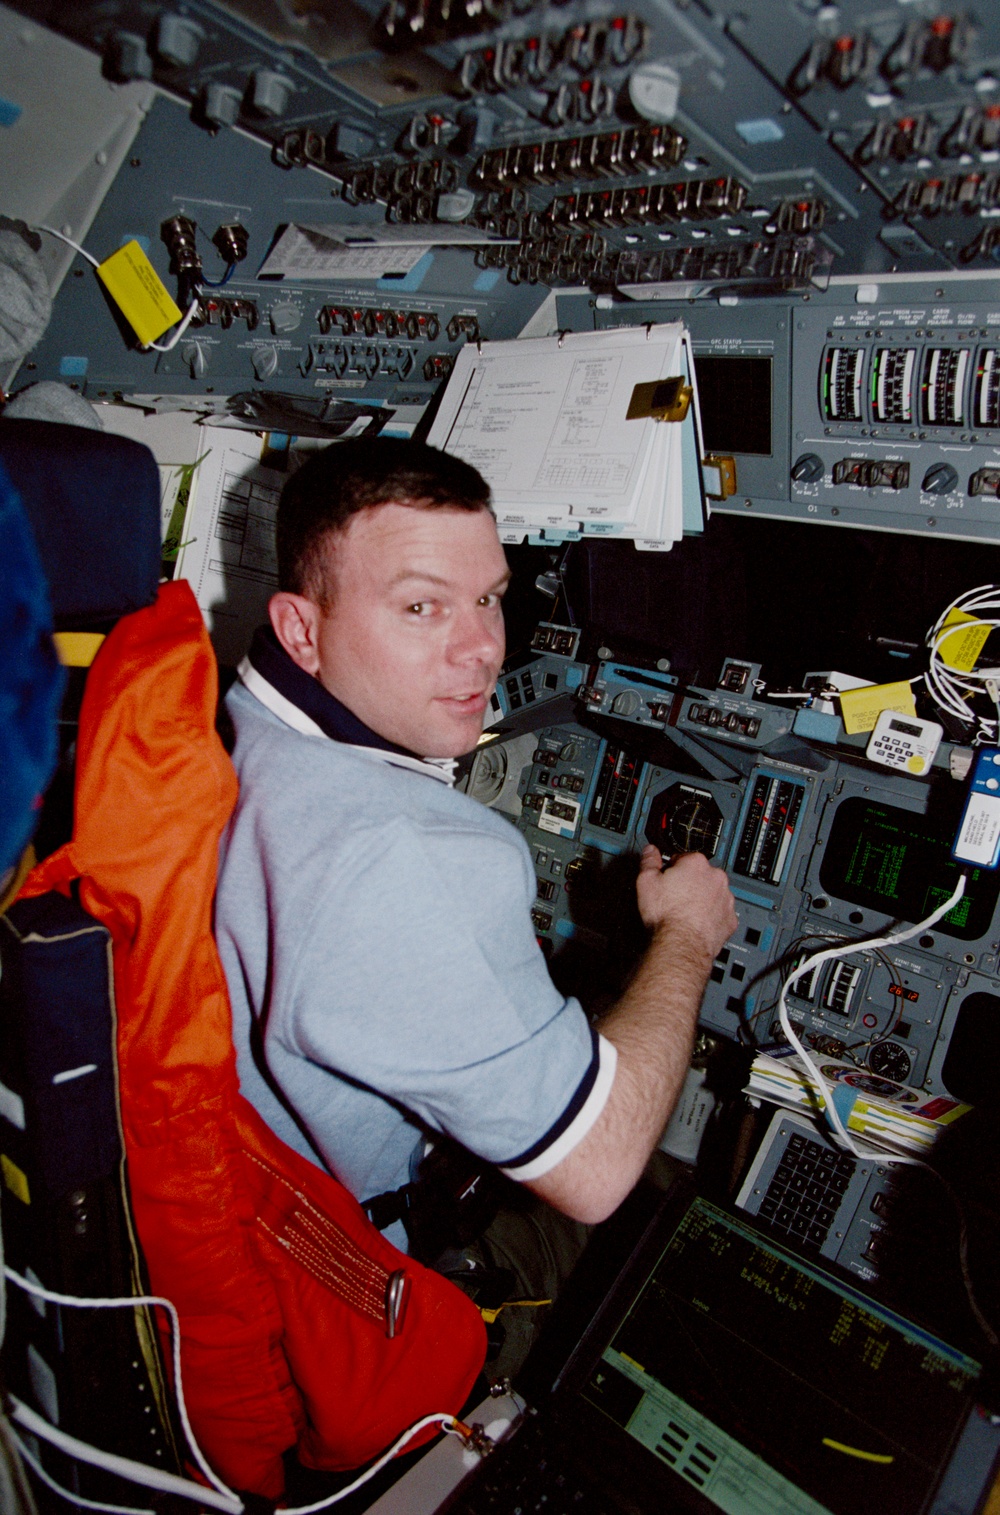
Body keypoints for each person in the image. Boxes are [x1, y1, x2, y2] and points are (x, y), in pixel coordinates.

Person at [214, 437, 736, 1369]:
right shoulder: (404, 854)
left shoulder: (235, 725)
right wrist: (689, 933)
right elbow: (596, 1167)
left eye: (491, 597)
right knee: (682, 1204)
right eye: (422, 606)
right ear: (302, 629)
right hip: (354, 1284)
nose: (482, 648)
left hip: (250, 1203)